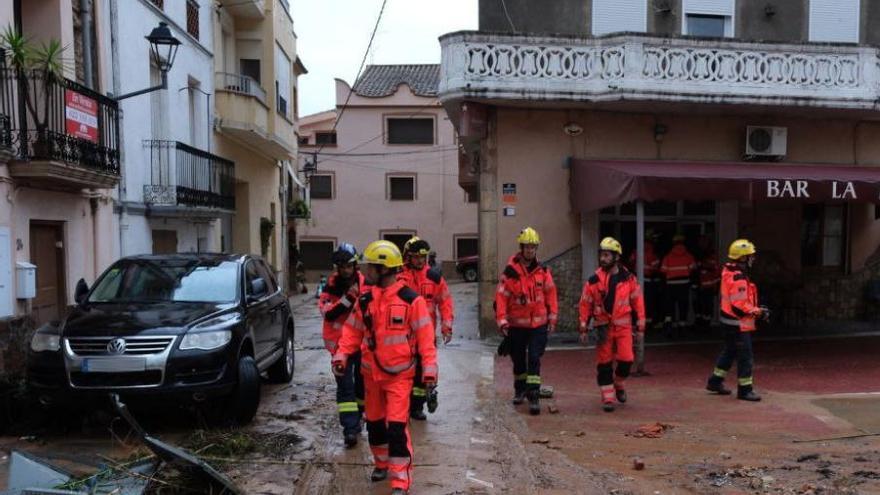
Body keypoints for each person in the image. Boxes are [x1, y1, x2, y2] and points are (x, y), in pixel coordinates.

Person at [332, 240, 438, 495]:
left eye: (371, 267)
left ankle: (400, 480)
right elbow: (352, 331)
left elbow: (425, 339)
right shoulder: (366, 299)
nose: (366, 271)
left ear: (384, 269)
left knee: (397, 427)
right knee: (376, 424)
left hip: (400, 376)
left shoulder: (412, 301)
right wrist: (341, 356)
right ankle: (382, 464)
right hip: (371, 376)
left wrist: (430, 371)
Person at [495, 227, 558, 415]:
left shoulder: (543, 271)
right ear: (521, 248)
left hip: (538, 325)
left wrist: (553, 318)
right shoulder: (510, 273)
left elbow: (551, 294)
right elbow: (501, 298)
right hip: (516, 326)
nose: (530, 251)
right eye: (527, 247)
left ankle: (534, 396)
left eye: (533, 248)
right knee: (519, 361)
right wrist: (502, 321)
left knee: (534, 359)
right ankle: (520, 389)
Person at [579, 237, 646, 412]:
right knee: (604, 363)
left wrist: (640, 327)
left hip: (623, 327)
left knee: (626, 360)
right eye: (602, 255)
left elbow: (638, 303)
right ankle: (607, 398)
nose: (603, 258)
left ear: (616, 257)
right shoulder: (593, 280)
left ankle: (619, 384)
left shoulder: (629, 279)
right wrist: (583, 327)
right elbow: (585, 304)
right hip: (603, 327)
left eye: (607, 255)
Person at [318, 243, 368, 448]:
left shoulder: (366, 284)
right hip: (339, 347)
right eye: (342, 266)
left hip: (362, 344)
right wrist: (349, 298)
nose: (346, 270)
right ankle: (350, 429)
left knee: (362, 387)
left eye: (349, 266)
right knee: (345, 387)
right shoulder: (329, 286)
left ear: (355, 265)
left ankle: (358, 418)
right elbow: (328, 312)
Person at [399, 237, 453, 420]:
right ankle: (401, 405)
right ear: (408, 257)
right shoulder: (400, 277)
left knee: (423, 371)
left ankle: (417, 407)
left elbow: (445, 301)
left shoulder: (434, 277)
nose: (420, 261)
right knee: (404, 371)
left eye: (423, 257)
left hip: (426, 334)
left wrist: (447, 326)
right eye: (416, 257)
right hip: (403, 335)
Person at [705, 239, 766, 402]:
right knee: (745, 356)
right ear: (742, 258)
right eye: (750, 256)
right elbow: (739, 305)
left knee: (730, 351)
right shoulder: (738, 277)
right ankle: (745, 390)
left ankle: (715, 381)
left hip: (729, 322)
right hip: (737, 324)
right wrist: (757, 311)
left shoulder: (729, 271)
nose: (753, 259)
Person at [660, 234, 696, 338]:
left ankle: (669, 328)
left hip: (670, 285)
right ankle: (682, 328)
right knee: (683, 306)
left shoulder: (667, 257)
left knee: (669, 307)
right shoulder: (689, 256)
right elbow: (693, 269)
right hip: (684, 284)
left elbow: (663, 271)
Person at [627, 230, 661, 330]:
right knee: (648, 303)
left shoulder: (636, 250)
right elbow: (656, 268)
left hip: (636, 280)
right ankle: (647, 324)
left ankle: (635, 323)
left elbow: (630, 262)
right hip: (648, 281)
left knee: (635, 302)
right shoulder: (653, 252)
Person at [695, 235, 721, 329]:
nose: (701, 244)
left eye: (703, 242)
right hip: (699, 286)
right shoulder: (697, 255)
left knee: (707, 307)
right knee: (698, 306)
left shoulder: (711, 256)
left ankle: (706, 325)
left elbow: (717, 272)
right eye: (700, 242)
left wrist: (716, 286)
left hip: (709, 287)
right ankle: (699, 323)